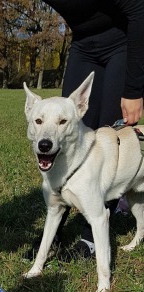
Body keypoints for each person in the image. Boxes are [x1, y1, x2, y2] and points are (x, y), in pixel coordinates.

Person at [27, 0, 144, 260]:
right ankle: (53, 231)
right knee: (67, 129)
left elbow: (139, 10)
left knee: (106, 139)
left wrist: (134, 90)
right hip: (83, 45)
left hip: (122, 43)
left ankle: (91, 236)